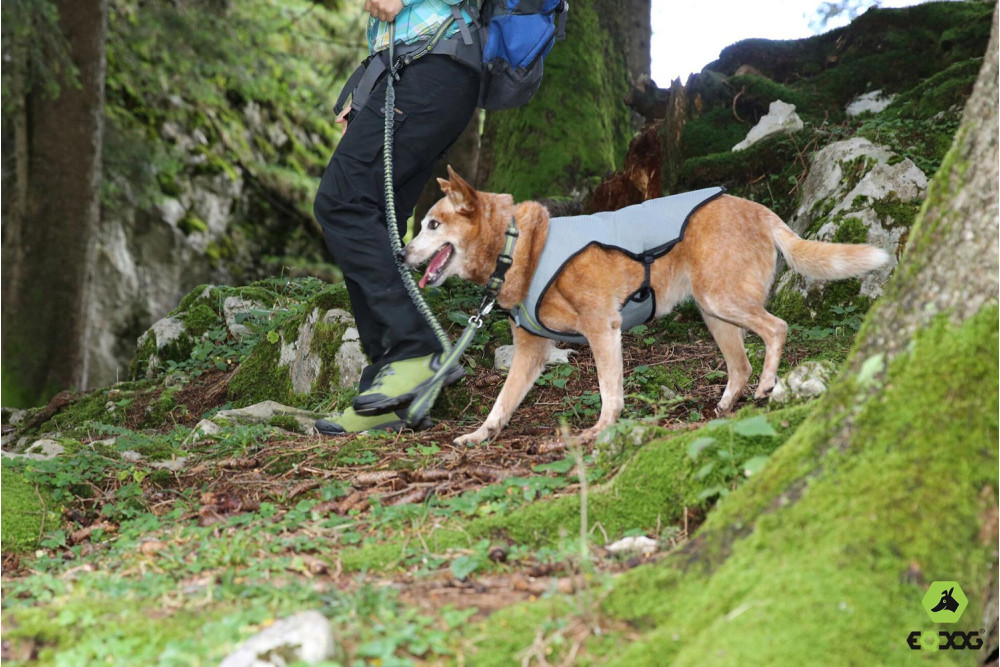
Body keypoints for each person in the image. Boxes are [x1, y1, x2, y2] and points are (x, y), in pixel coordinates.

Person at [313, 0, 481, 434]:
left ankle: (412, 352)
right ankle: (394, 391)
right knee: (374, 218)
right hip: (414, 71)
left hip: (432, 66)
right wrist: (367, 98)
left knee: (343, 201)